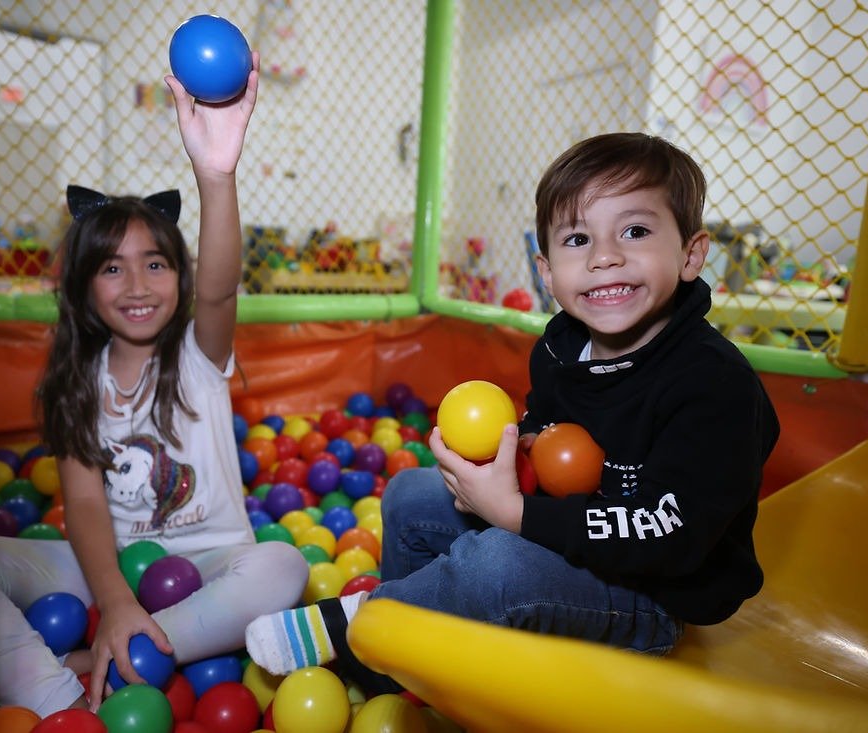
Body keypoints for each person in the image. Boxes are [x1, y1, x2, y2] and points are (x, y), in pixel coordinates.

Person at [245, 132, 780, 689]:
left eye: (636, 231)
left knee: (494, 562)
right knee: (409, 493)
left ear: (691, 255)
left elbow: (671, 534)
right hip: (565, 537)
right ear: (547, 273)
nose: (604, 257)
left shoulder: (714, 386)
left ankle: (368, 626)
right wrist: (496, 466)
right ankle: (403, 671)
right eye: (578, 238)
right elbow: (540, 431)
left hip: (652, 596)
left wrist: (516, 515)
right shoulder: (560, 347)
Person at [0, 53, 307, 716]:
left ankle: (121, 660)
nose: (139, 284)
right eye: (113, 268)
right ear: (84, 286)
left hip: (207, 566)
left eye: (155, 263)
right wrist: (114, 598)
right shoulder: (76, 383)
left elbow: (220, 287)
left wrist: (217, 174)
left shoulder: (198, 357)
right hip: (108, 568)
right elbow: (86, 507)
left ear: (179, 275)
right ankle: (65, 700)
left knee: (284, 566)